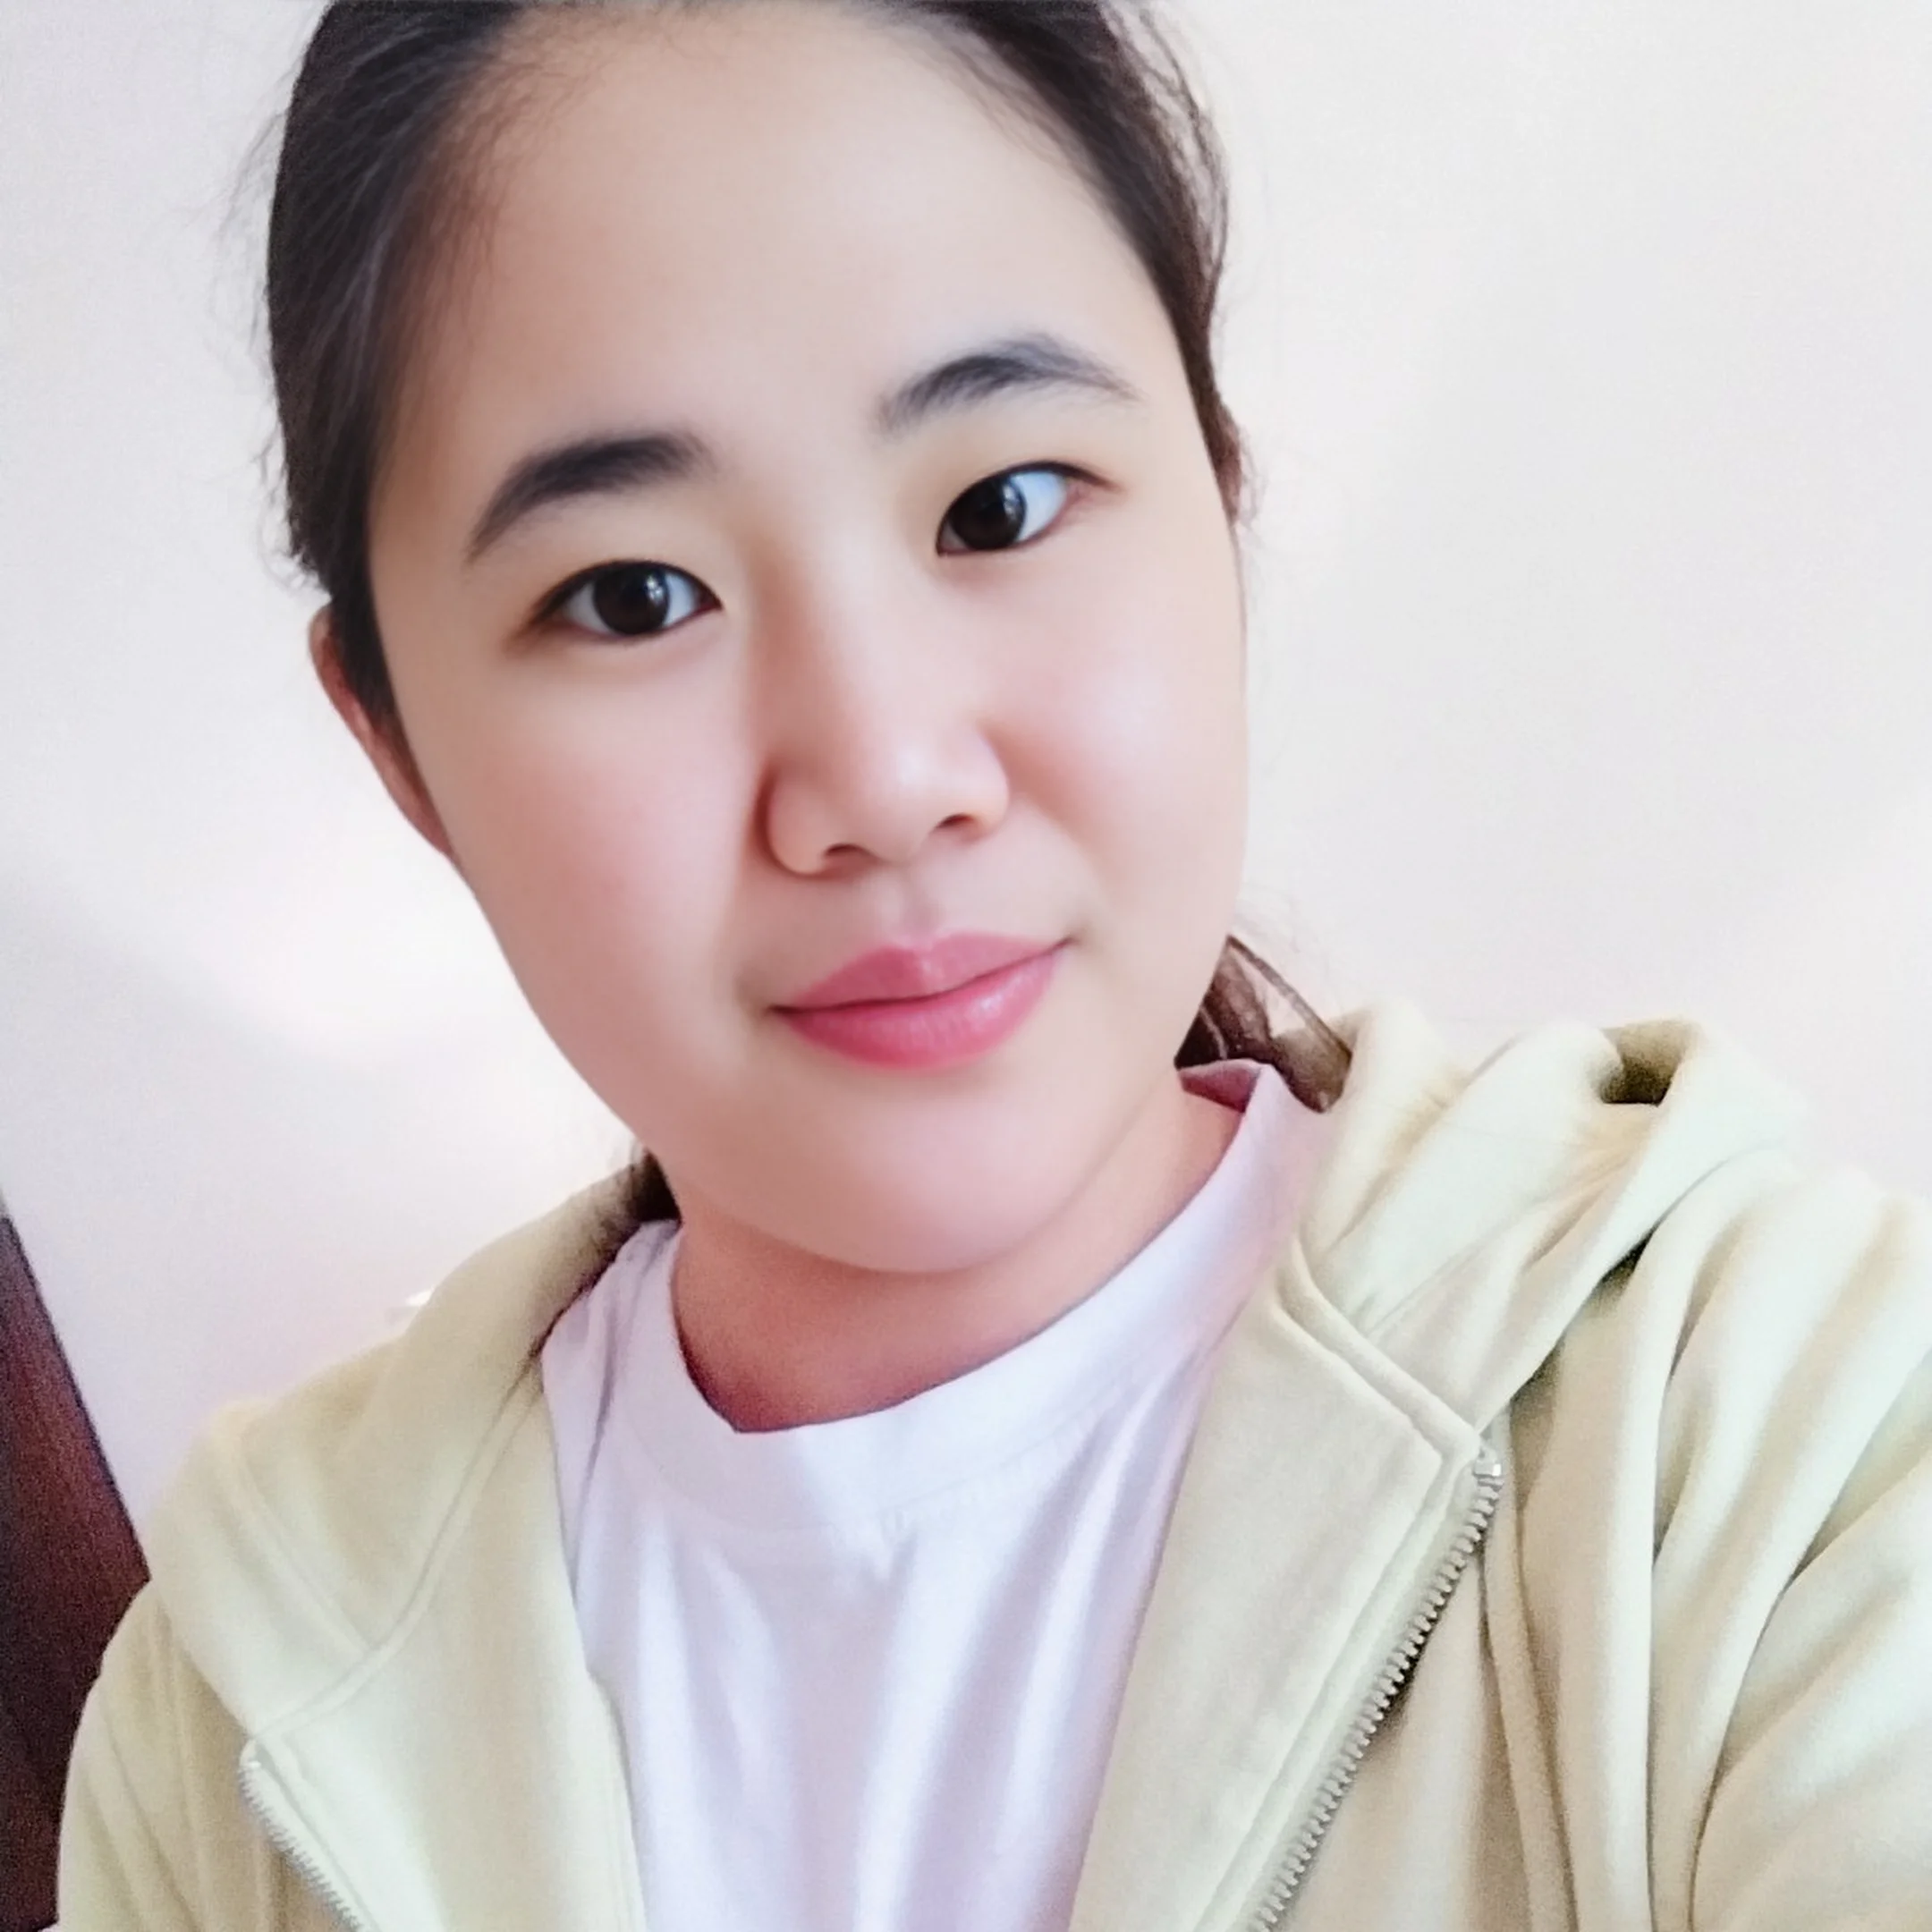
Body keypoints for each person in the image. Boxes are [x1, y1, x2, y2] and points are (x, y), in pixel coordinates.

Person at [57, 2, 1932, 1927]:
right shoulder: (230, 1730)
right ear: (394, 742)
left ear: (1218, 491)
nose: (884, 777)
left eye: (1000, 507)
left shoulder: (1763, 1436)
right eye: (634, 595)